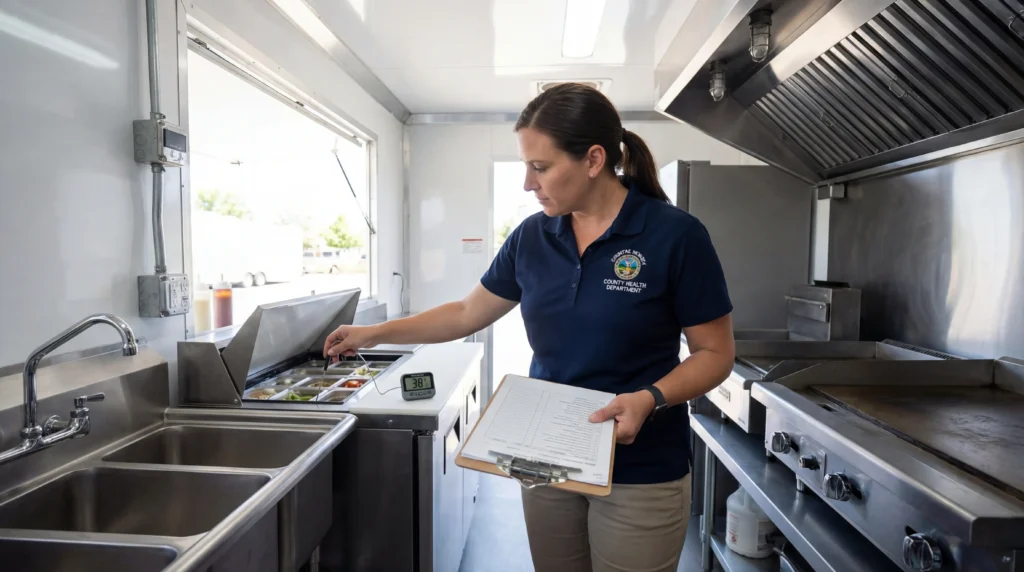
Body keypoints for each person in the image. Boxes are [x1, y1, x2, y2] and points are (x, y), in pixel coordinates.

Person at [324, 83, 736, 572]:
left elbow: (715, 354)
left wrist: (649, 398)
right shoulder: (533, 236)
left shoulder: (676, 236)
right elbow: (464, 313)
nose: (527, 183)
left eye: (540, 167)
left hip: (641, 472)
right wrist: (373, 333)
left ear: (594, 159)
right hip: (547, 463)